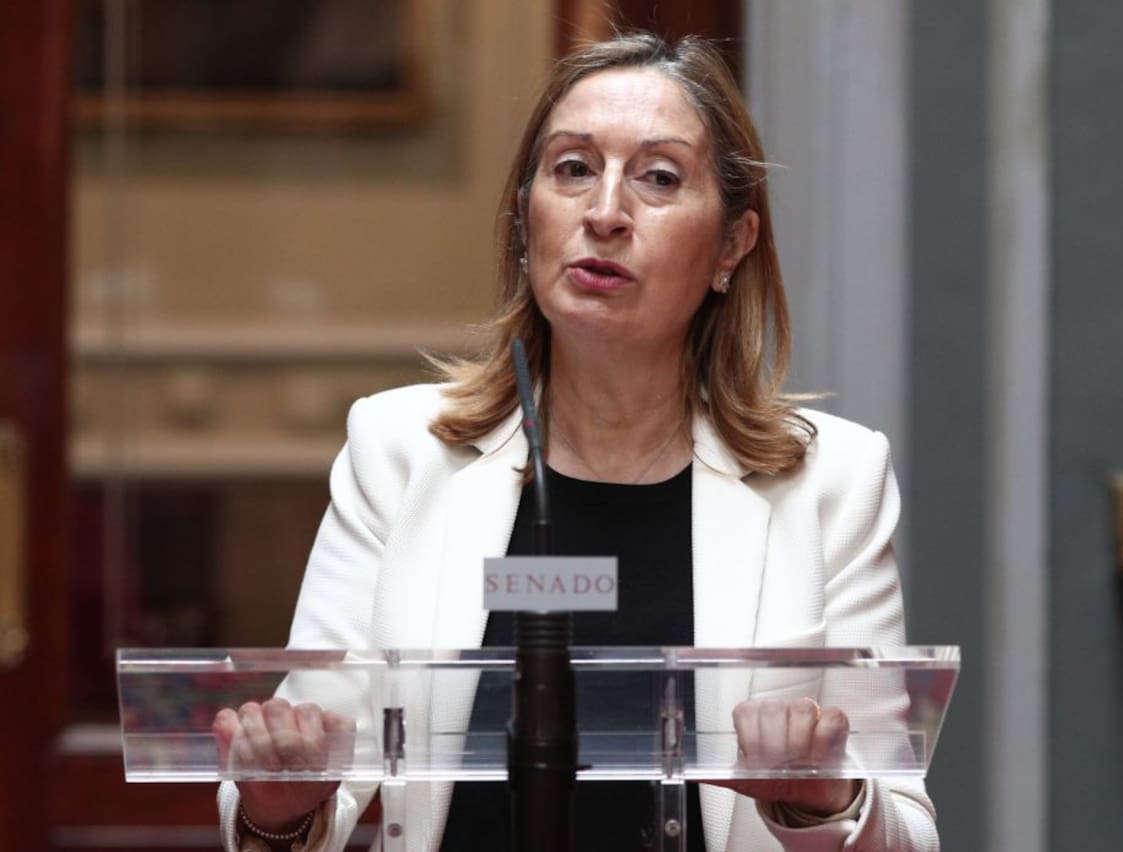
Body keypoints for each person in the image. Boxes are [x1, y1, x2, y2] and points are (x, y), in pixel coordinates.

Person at [213, 32, 938, 852]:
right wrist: (279, 805)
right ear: (527, 219)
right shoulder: (400, 454)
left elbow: (905, 831)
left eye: (659, 177)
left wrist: (824, 799)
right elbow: (303, 769)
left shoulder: (831, 482)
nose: (605, 213)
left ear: (732, 244)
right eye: (573, 168)